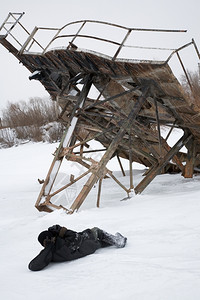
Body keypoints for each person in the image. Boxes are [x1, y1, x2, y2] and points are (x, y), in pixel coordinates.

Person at [28, 225, 127, 271]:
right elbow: (76, 238)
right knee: (96, 231)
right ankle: (118, 241)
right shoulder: (59, 245)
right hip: (85, 245)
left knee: (99, 241)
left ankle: (113, 240)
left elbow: (32, 266)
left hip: (83, 247)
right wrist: (63, 231)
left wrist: (48, 247)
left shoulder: (50, 252)